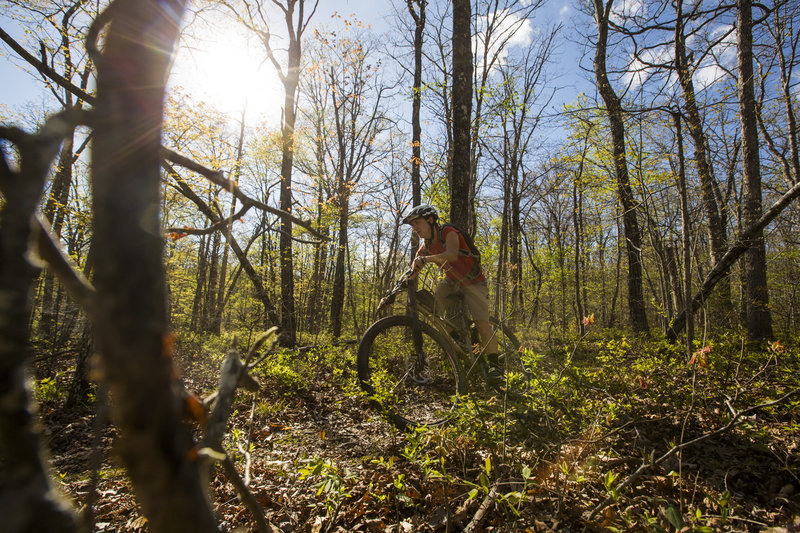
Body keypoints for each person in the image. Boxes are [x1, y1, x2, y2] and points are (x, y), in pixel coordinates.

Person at [402, 204, 504, 389]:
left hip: (473, 282)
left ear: (431, 220)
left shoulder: (447, 231)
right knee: (436, 309)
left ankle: (495, 366)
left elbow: (452, 254)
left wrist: (426, 259)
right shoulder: (426, 245)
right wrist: (393, 292)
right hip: (452, 282)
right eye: (412, 225)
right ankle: (458, 337)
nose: (415, 228)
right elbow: (413, 270)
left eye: (417, 223)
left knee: (482, 323)